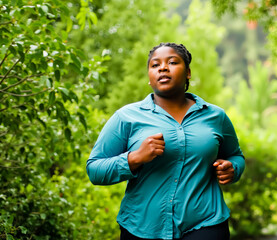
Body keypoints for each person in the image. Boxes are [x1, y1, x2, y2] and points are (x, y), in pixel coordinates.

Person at [86, 42, 245, 240]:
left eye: (172, 62)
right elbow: (95, 170)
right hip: (142, 227)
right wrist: (135, 158)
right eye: (155, 65)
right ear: (149, 78)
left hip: (205, 223)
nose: (163, 67)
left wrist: (232, 168)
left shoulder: (215, 117)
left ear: (188, 72)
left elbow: (235, 156)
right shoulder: (126, 117)